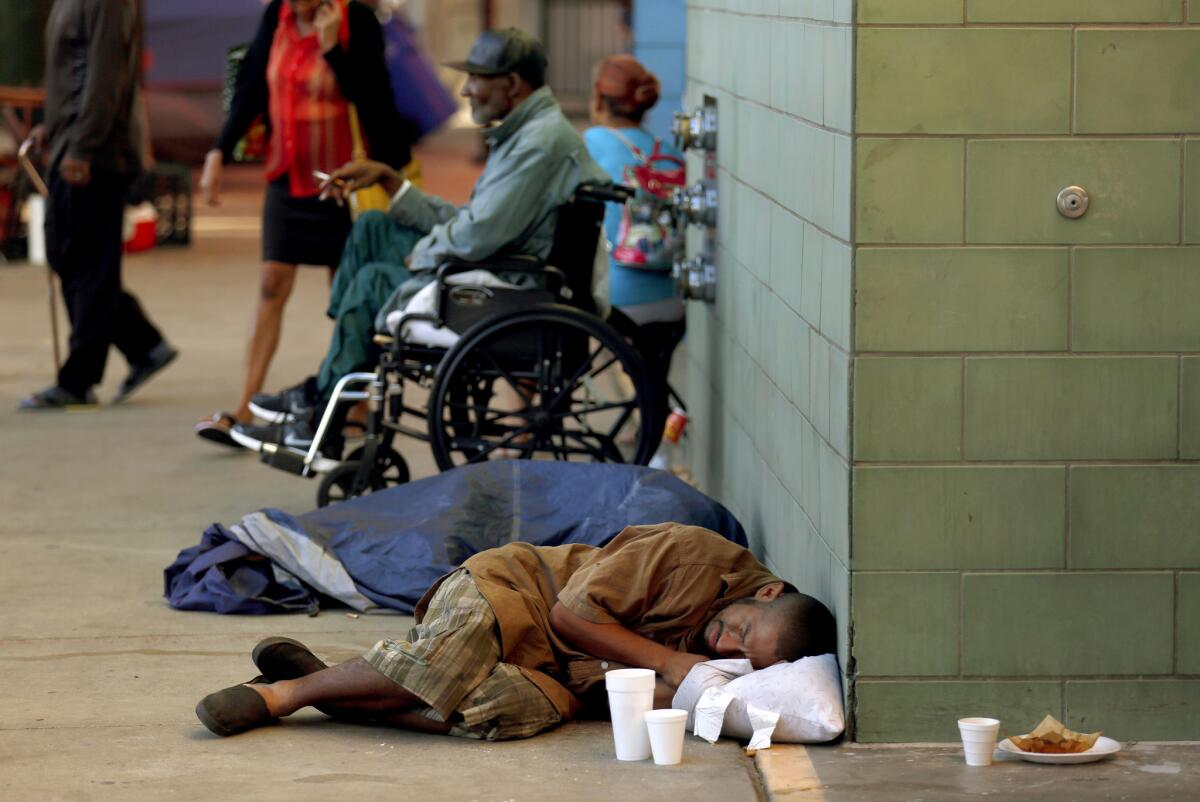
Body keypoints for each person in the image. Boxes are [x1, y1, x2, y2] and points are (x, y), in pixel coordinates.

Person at [224, 27, 610, 451]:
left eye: (476, 79)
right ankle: (332, 383)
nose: (466, 91)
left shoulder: (538, 143)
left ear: (513, 85)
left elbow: (477, 235)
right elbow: (476, 222)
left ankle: (324, 409)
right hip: (500, 268)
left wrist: (424, 253)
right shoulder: (527, 132)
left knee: (372, 283)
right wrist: (393, 184)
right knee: (372, 227)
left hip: (509, 289)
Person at [194, 523, 837, 740]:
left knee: (496, 712)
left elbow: (618, 699)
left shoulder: (727, 666)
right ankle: (287, 696)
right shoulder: (693, 555)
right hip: (517, 595)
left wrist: (684, 689)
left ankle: (324, 682)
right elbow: (570, 617)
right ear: (768, 592)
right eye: (741, 629)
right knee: (449, 663)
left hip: (553, 672)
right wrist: (671, 665)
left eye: (742, 656)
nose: (724, 646)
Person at [194, 0, 415, 446]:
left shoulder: (355, 21)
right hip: (288, 177)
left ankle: (351, 403)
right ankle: (245, 406)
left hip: (344, 183)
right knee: (271, 283)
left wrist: (333, 50)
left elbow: (375, 100)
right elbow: (252, 86)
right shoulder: (277, 17)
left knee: (347, 294)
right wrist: (220, 149)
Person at [19, 0, 178, 411]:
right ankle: (144, 345)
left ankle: (78, 379)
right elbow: (71, 73)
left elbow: (105, 75)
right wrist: (51, 127)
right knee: (68, 255)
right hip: (71, 144)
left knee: (88, 265)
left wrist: (84, 147)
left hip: (96, 155)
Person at [582, 55, 687, 437]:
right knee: (653, 366)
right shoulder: (670, 152)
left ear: (599, 98)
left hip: (620, 300)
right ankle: (653, 434)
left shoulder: (592, 144)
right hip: (677, 298)